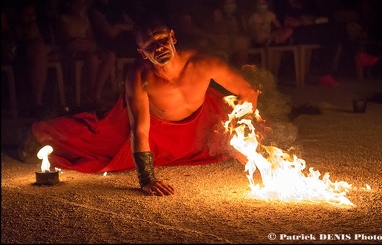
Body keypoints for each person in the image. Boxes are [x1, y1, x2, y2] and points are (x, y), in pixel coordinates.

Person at [19, 14, 259, 197]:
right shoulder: (139, 76)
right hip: (154, 128)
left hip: (201, 121)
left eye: (162, 39)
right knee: (92, 142)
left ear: (173, 37)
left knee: (242, 141)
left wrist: (241, 133)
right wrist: (146, 178)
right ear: (142, 53)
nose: (160, 48)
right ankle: (37, 132)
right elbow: (139, 130)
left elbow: (247, 92)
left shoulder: (203, 62)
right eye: (151, 46)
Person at [59, 0, 116, 108]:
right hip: (74, 50)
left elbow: (91, 38)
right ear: (69, 3)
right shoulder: (63, 18)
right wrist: (83, 43)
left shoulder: (84, 19)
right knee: (93, 58)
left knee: (110, 55)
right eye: (77, 3)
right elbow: (70, 41)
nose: (80, 6)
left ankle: (96, 92)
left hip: (87, 47)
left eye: (82, 4)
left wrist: (87, 43)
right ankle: (92, 94)